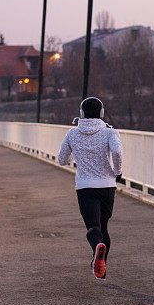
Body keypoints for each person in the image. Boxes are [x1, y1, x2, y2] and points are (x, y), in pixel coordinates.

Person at [58, 97, 123, 280]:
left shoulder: (72, 133)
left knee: (93, 228)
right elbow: (117, 152)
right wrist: (117, 172)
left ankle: (97, 250)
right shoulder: (110, 133)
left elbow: (62, 160)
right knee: (104, 228)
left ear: (81, 114)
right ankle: (101, 266)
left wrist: (74, 159)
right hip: (107, 186)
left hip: (85, 187)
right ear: (102, 113)